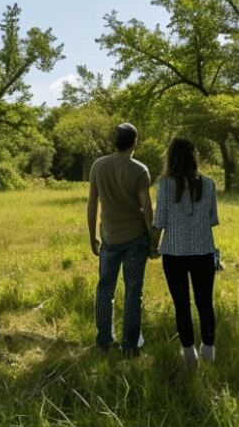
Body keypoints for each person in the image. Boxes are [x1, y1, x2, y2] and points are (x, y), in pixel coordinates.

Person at [87, 122, 155, 356]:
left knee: (105, 290)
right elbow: (147, 209)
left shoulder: (99, 166)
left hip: (109, 238)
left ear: (114, 142)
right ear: (135, 142)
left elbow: (92, 203)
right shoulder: (139, 170)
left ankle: (104, 341)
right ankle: (130, 345)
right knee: (133, 292)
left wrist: (91, 235)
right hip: (136, 238)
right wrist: (153, 241)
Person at [152, 137, 219, 365]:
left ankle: (188, 352)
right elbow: (212, 219)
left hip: (173, 254)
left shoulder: (165, 185)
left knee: (182, 304)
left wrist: (153, 247)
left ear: (171, 158)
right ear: (194, 157)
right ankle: (208, 349)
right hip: (203, 251)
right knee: (205, 302)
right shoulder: (208, 184)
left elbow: (159, 221)